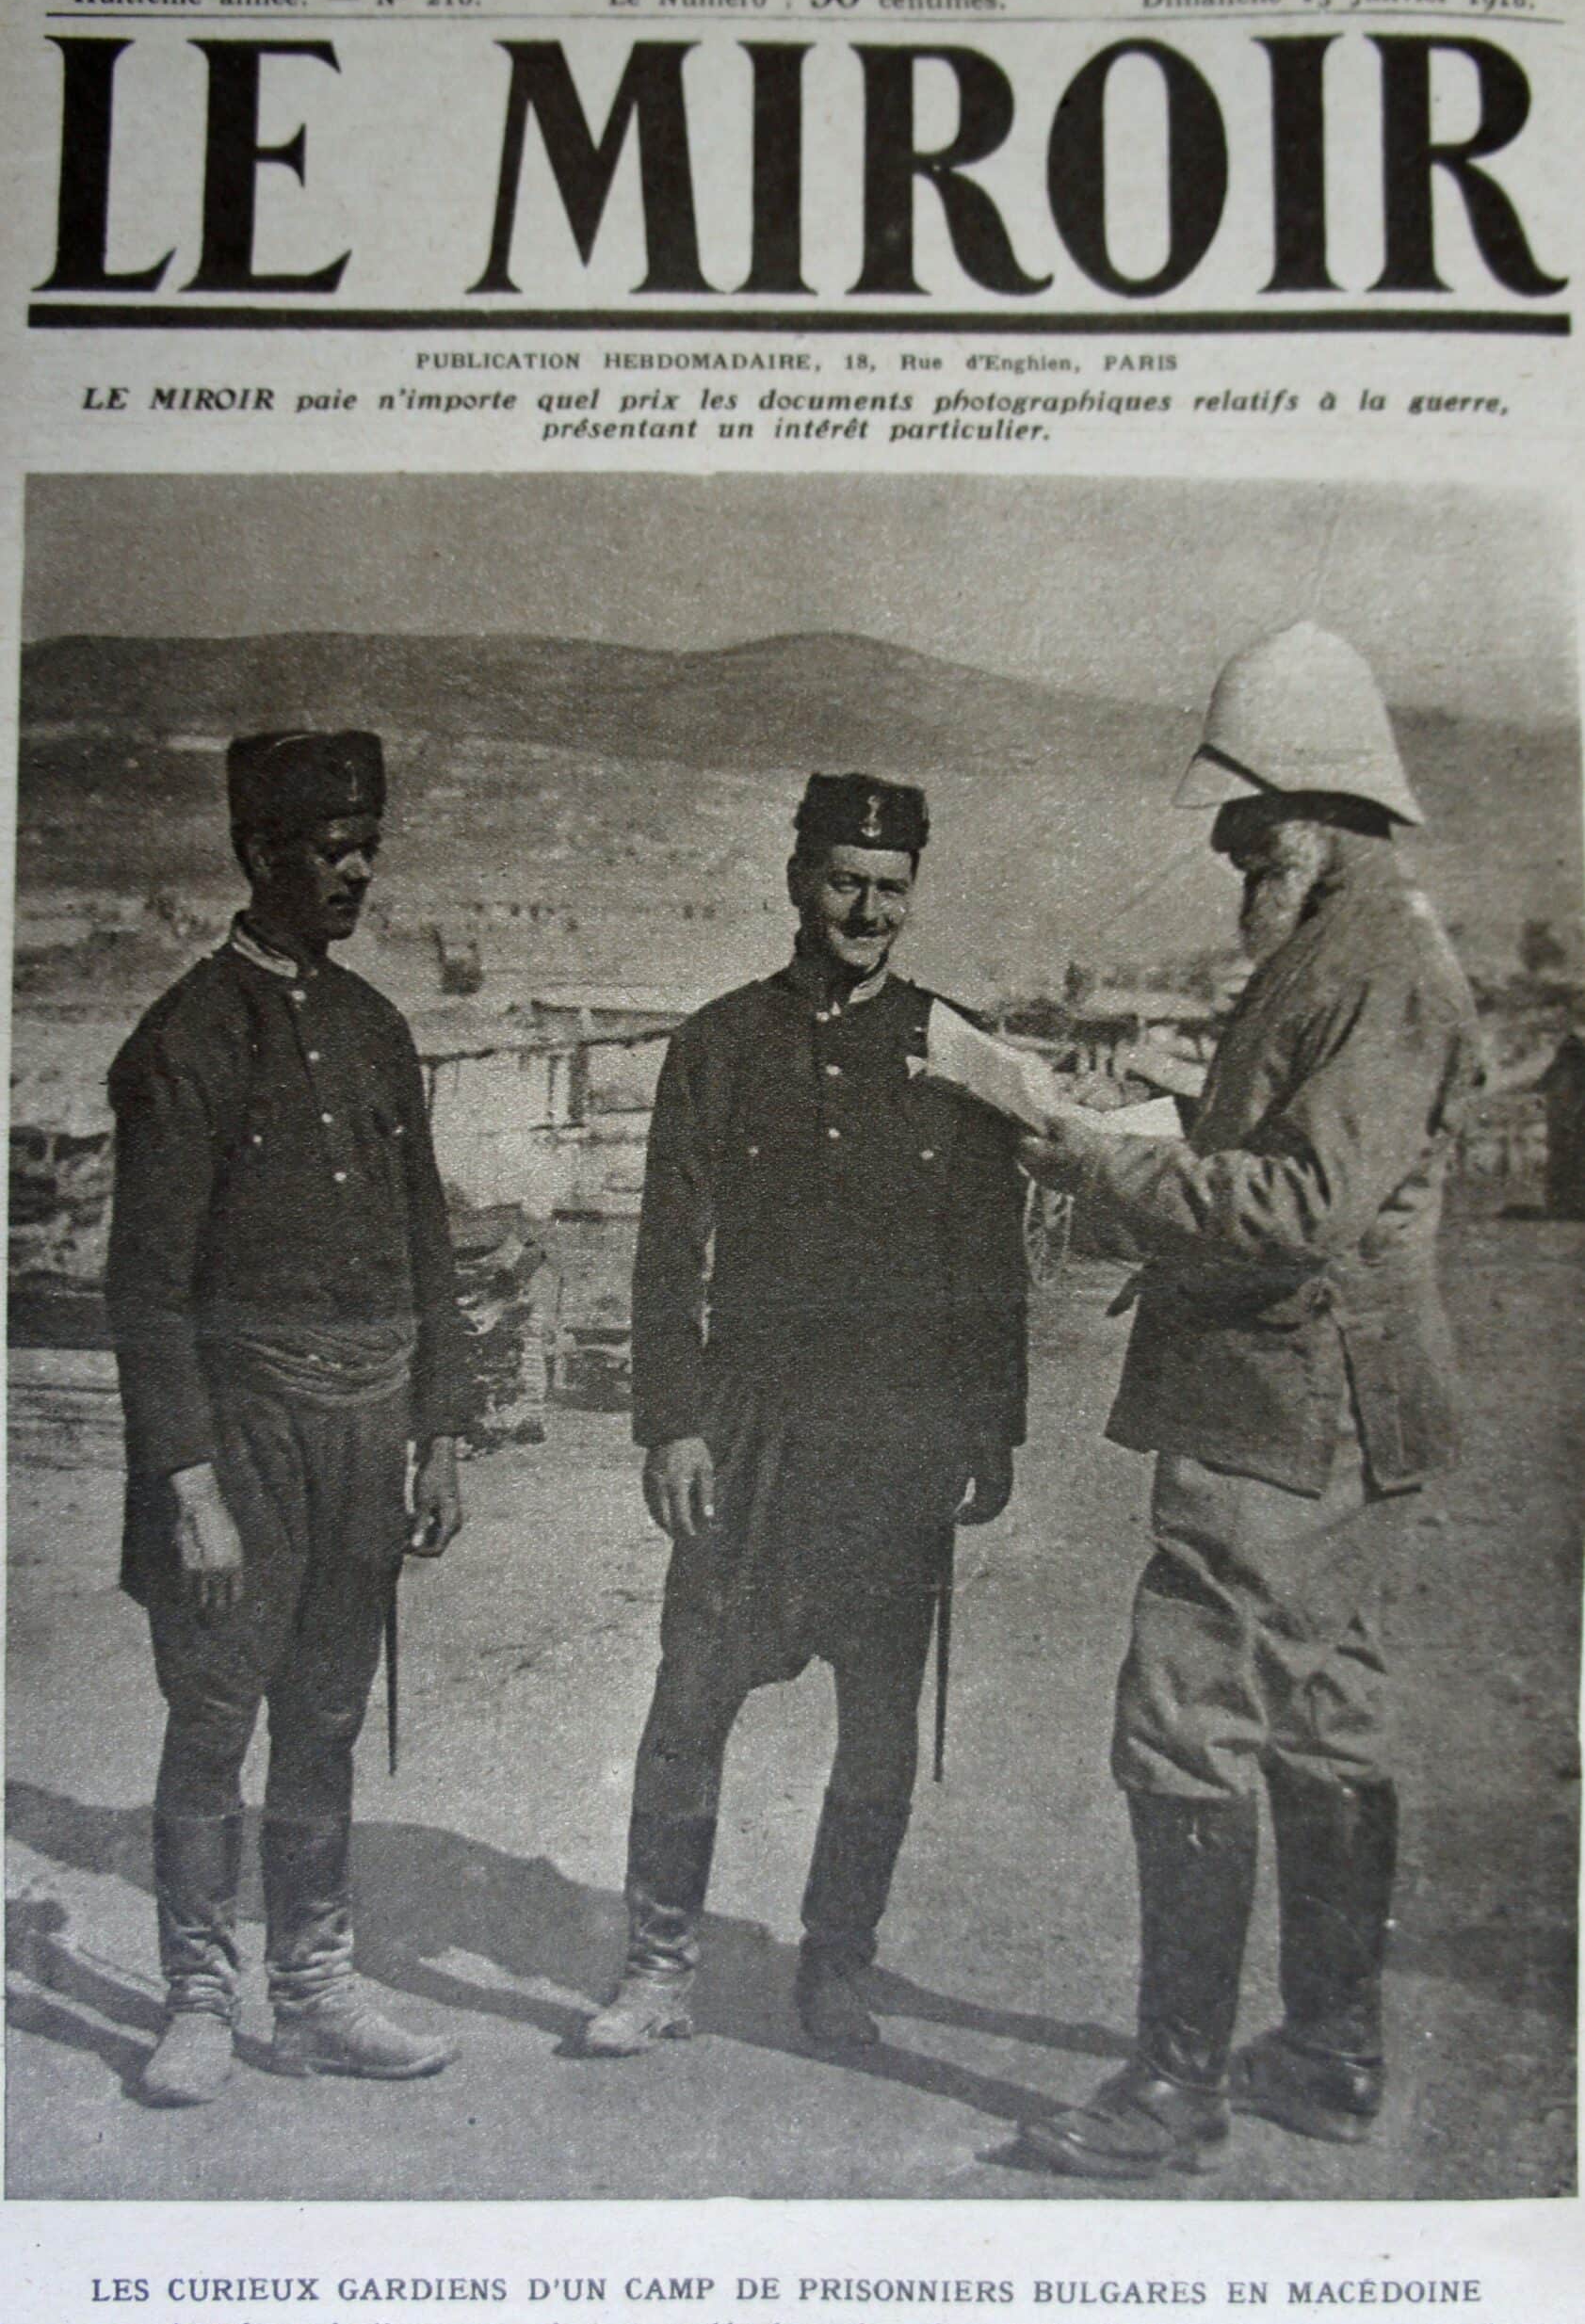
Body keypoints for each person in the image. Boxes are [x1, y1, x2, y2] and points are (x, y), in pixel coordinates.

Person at [1011, 622, 1482, 2180]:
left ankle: (1171, 2089)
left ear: (1322, 807)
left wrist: (1099, 1161)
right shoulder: (1362, 946)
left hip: (1286, 1411)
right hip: (1340, 1407)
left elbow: (1298, 1205)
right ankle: (1331, 2051)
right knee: (1327, 1710)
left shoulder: (1373, 966)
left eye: (1249, 820)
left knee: (1187, 1716)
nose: (1226, 849)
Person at [580, 774, 1027, 2056]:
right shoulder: (719, 1043)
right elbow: (670, 1252)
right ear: (797, 882)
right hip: (752, 1433)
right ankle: (657, 1968)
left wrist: (990, 1426)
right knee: (689, 1701)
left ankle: (837, 1967)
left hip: (898, 1439)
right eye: (845, 882)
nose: (868, 912)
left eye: (892, 889)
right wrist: (671, 1422)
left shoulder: (960, 1050)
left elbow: (992, 1258)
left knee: (878, 1724)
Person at [106, 729, 469, 2107]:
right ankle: (198, 2000)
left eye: (367, 848)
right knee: (213, 1721)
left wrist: (441, 1433)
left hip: (367, 1433)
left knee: (324, 1718)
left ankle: (314, 1992)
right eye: (330, 851)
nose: (357, 874)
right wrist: (189, 1484)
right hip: (240, 1437)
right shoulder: (185, 1040)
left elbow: (427, 1245)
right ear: (260, 854)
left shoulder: (377, 1028)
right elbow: (146, 1293)